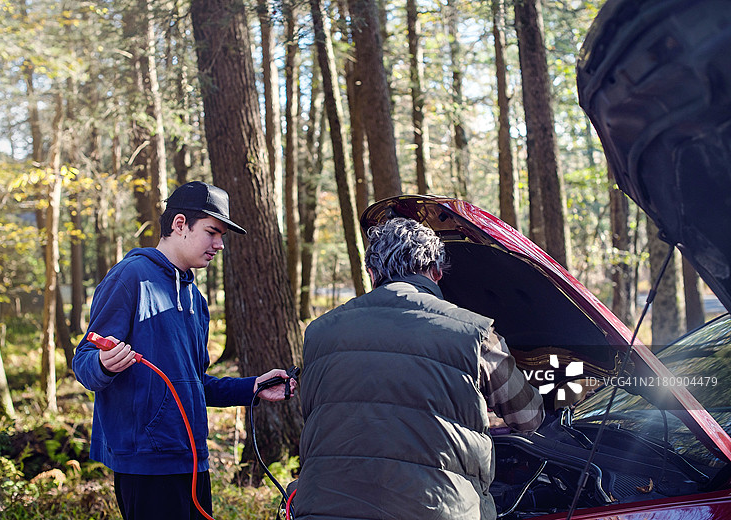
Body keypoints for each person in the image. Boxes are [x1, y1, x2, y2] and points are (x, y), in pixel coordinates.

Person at [291, 217, 543, 520]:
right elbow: (528, 418)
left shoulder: (318, 333)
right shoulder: (474, 332)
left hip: (322, 510)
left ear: (372, 274)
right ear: (437, 271)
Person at [72, 181, 296, 520]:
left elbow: (194, 383)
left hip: (192, 459)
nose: (220, 244)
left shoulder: (197, 300)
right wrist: (103, 364)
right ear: (180, 225)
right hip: (145, 466)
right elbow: (83, 361)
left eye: (222, 236)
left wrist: (252, 387)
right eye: (212, 232)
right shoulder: (130, 278)